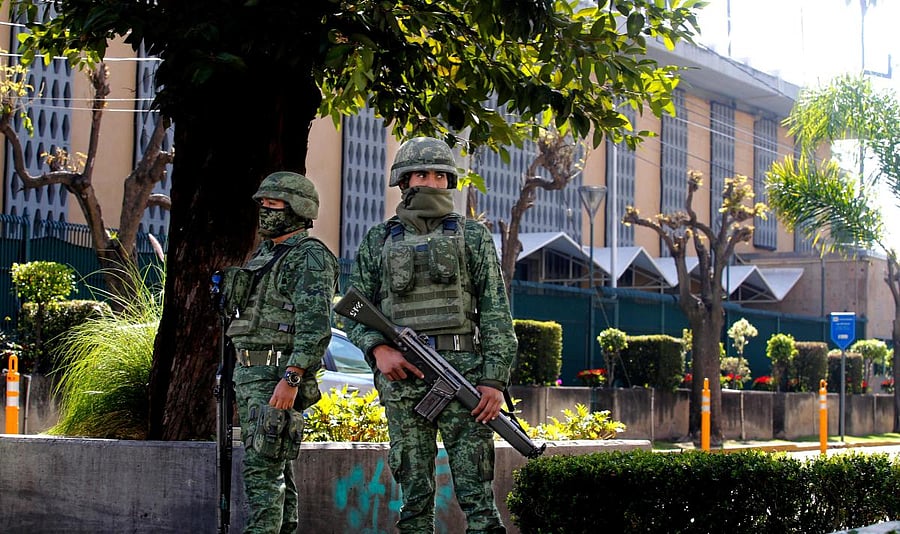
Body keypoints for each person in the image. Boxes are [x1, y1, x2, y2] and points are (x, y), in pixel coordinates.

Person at [347, 136, 517, 533]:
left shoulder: (472, 236)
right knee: (414, 499)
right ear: (404, 181)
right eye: (421, 175)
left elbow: (496, 312)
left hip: (465, 378)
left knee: (478, 498)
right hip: (403, 380)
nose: (431, 183)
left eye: (440, 176)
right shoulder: (378, 239)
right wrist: (378, 349)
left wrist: (493, 381)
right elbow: (353, 309)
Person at [223, 171, 338, 534]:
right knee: (276, 469)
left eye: (273, 204)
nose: (265, 211)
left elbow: (315, 326)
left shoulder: (309, 256)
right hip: (250, 375)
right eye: (263, 204)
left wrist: (292, 378)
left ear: (297, 209)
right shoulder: (266, 254)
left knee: (262, 472)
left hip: (276, 377)